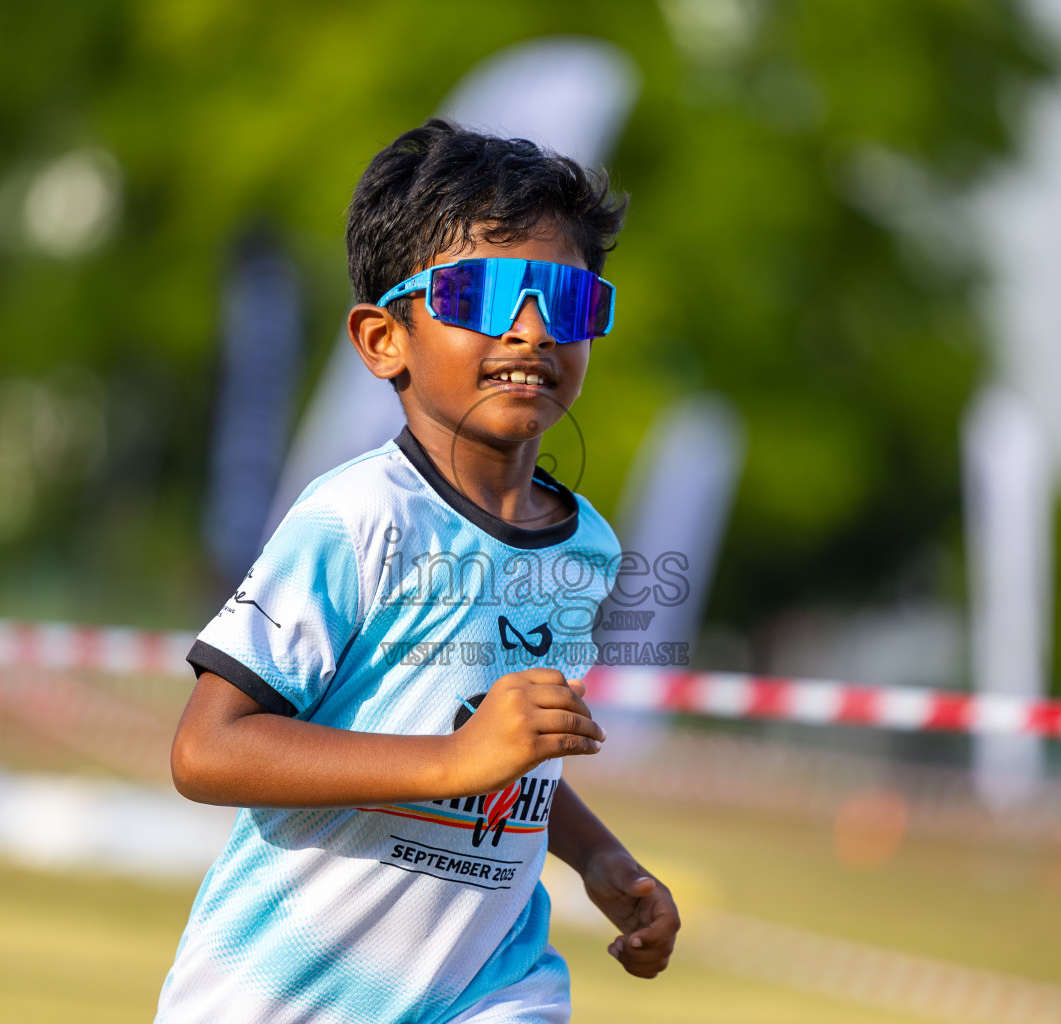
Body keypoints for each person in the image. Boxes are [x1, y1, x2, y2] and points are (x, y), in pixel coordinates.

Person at [157, 119, 680, 1024]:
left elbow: (504, 760)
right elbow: (208, 751)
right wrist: (454, 760)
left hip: (492, 988)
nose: (529, 330)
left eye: (565, 298)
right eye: (485, 293)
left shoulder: (588, 549)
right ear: (380, 338)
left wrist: (597, 856)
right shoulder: (357, 519)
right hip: (283, 996)